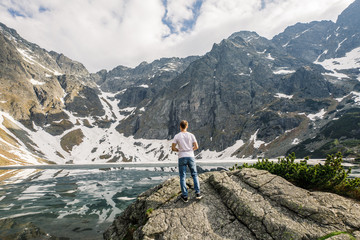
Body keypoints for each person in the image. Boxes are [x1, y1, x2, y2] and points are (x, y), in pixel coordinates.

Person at [172, 120, 202, 202]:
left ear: (180, 127)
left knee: (182, 176)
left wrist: (179, 150)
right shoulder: (191, 135)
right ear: (187, 126)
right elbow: (196, 146)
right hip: (191, 156)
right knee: (194, 174)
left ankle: (185, 196)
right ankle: (198, 193)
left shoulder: (177, 136)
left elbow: (173, 148)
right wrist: (190, 149)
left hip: (182, 157)